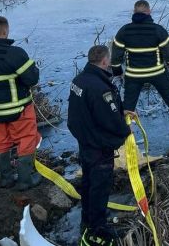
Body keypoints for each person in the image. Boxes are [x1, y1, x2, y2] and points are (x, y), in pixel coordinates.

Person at [68, 45, 132, 246]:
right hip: (99, 145)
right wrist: (125, 129)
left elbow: (90, 110)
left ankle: (86, 220)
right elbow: (108, 119)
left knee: (88, 181)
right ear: (105, 61)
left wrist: (120, 112)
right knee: (100, 187)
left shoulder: (79, 80)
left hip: (85, 140)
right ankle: (98, 229)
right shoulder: (100, 87)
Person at [110, 0, 169, 131]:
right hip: (157, 72)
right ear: (149, 12)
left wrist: (117, 71)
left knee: (128, 104)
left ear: (134, 12)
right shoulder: (158, 30)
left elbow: (116, 55)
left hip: (133, 75)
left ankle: (120, 130)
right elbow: (168, 52)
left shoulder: (124, 31)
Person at [0, 16, 42, 190]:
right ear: (5, 31)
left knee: (0, 141)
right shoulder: (14, 53)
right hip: (18, 108)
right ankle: (25, 180)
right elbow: (32, 78)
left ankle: (6, 179)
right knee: (26, 139)